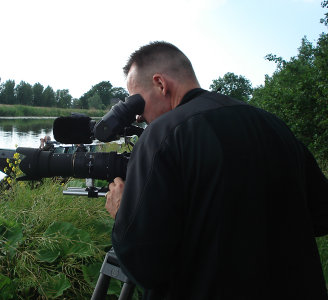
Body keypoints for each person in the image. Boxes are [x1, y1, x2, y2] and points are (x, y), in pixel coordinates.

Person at [105, 41, 328, 299]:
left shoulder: (162, 135)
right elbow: (321, 216)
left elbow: (145, 265)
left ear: (161, 84)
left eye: (137, 104)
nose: (138, 116)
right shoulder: (273, 124)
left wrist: (124, 212)